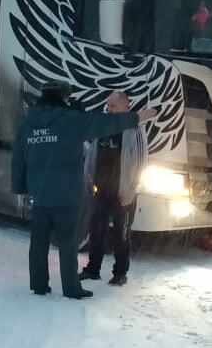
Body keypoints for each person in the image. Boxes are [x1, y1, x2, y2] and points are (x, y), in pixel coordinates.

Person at [12, 81, 156, 300]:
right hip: (66, 194)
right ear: (62, 98)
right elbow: (105, 123)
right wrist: (139, 116)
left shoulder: (28, 123)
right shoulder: (72, 121)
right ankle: (71, 288)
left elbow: (18, 157)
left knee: (38, 241)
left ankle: (39, 283)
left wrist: (20, 185)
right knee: (68, 243)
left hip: (40, 193)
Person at [80, 90, 147, 286]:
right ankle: (92, 269)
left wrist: (132, 189)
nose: (109, 109)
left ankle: (120, 273)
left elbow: (142, 161)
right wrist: (88, 178)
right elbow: (92, 151)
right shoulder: (103, 125)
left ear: (125, 107)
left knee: (121, 233)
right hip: (101, 190)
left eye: (113, 106)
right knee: (97, 230)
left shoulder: (135, 128)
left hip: (123, 191)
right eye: (108, 105)